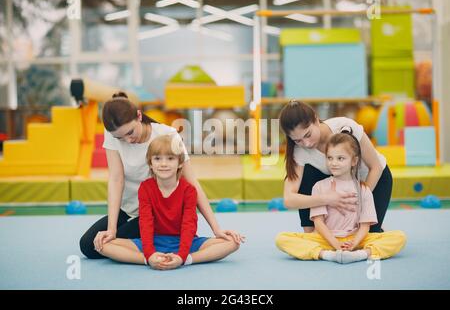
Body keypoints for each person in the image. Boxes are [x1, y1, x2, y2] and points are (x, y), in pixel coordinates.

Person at [79, 92, 243, 259]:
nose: (127, 140)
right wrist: (111, 229)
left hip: (157, 212)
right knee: (88, 245)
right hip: (129, 209)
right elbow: (116, 179)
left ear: (139, 116)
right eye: (119, 137)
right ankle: (147, 252)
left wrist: (216, 228)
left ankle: (155, 251)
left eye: (130, 133)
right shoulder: (113, 133)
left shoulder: (168, 135)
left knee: (104, 244)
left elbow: (191, 181)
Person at [98, 135, 240, 269]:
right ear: (150, 163)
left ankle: (190, 259)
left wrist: (182, 256)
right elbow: (145, 223)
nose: (164, 164)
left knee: (233, 243)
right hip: (154, 241)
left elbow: (189, 224)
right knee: (102, 245)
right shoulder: (146, 188)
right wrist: (149, 254)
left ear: (179, 163)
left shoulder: (188, 190)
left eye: (170, 158)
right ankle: (145, 260)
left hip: (185, 242)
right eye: (158, 158)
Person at [276, 132, 406, 263]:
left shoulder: (364, 190)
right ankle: (326, 255)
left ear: (354, 161)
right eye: (330, 158)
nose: (334, 163)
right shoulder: (319, 187)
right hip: (326, 239)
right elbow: (319, 223)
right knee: (282, 239)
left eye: (340, 158)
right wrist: (335, 245)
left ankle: (362, 254)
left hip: (355, 239)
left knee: (399, 237)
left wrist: (355, 243)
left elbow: (365, 226)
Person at [279, 100, 391, 233]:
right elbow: (289, 199)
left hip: (373, 180)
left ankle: (377, 229)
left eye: (308, 135)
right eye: (297, 140)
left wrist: (359, 202)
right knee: (307, 173)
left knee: (364, 237)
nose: (306, 143)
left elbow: (375, 167)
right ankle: (310, 231)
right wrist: (328, 199)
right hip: (338, 188)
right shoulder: (299, 151)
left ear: (316, 119)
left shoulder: (344, 127)